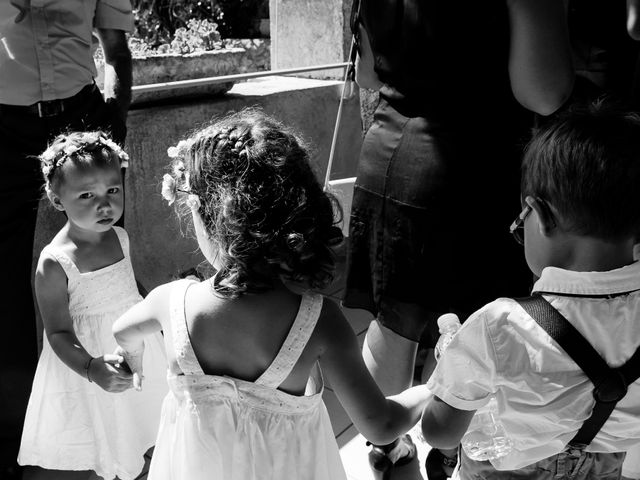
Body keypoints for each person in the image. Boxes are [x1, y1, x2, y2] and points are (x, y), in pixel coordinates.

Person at [111, 109, 432, 480]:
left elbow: (123, 331)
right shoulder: (317, 320)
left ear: (208, 215)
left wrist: (130, 359)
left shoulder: (170, 302)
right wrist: (431, 390)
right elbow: (380, 424)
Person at [343, 0, 575, 476]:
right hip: (473, 170)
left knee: (393, 319)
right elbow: (544, 91)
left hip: (388, 155)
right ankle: (451, 454)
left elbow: (368, 73)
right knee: (471, 331)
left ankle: (386, 445)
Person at [421, 102, 640, 479]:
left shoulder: (499, 326)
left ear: (540, 215)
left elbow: (440, 430)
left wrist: (448, 373)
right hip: (606, 466)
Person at [0, 3, 133, 476]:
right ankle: (19, 447)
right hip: (2, 124)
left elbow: (116, 46)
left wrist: (114, 116)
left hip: (82, 119)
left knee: (106, 279)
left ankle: (124, 425)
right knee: (3, 301)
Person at [17, 132, 167, 480]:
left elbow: (131, 290)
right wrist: (91, 368)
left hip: (137, 349)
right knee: (108, 438)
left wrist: (157, 316)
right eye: (87, 195)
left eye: (112, 191)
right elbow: (56, 332)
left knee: (147, 425)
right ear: (57, 201)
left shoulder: (120, 237)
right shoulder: (54, 262)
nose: (104, 204)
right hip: (90, 359)